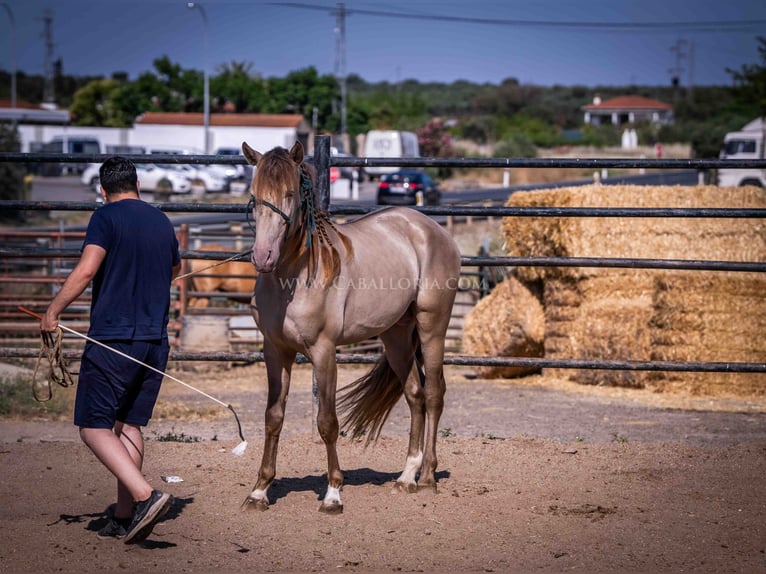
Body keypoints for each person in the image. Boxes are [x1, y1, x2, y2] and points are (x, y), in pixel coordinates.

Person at [41, 156, 181, 544]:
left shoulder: (105, 218)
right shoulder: (161, 221)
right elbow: (172, 271)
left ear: (103, 190)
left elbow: (87, 270)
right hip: (155, 341)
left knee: (93, 426)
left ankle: (144, 494)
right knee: (127, 424)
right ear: (137, 184)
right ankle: (124, 514)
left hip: (114, 339)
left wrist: (53, 310)